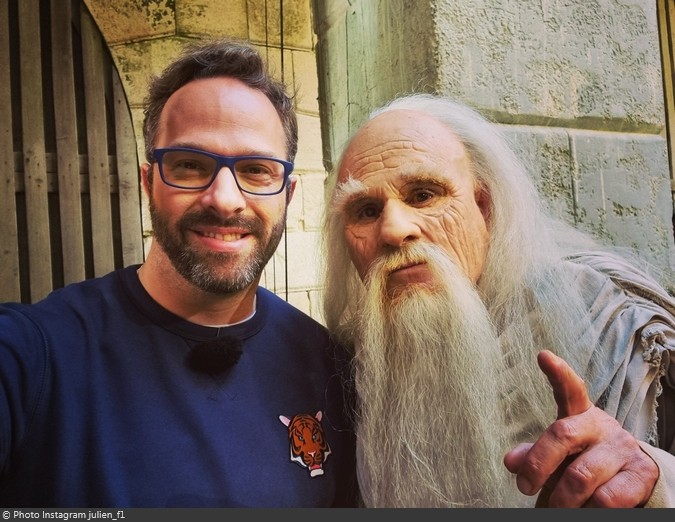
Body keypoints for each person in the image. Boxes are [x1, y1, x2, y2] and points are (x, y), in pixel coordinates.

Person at [0, 38, 358, 508]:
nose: (224, 198)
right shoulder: (34, 356)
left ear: (287, 194)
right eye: (190, 165)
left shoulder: (331, 368)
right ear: (148, 181)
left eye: (255, 170)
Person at [321, 92, 675, 508]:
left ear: (483, 207)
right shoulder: (357, 359)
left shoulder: (610, 320)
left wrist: (651, 476)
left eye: (423, 195)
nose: (394, 230)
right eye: (365, 210)